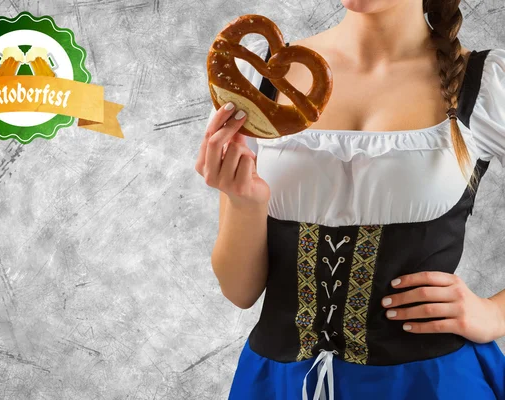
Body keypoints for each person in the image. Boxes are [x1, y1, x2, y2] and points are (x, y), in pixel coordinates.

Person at [194, 0, 505, 399]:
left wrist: (494, 313)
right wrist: (243, 202)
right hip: (279, 385)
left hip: (429, 385)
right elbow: (241, 291)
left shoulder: (485, 84)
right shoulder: (268, 77)